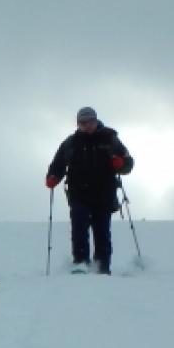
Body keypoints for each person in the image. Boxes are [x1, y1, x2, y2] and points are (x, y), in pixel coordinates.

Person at [46, 106, 134, 274]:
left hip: (104, 194)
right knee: (79, 230)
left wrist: (121, 163)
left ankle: (102, 268)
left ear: (96, 120)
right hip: (79, 194)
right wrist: (53, 176)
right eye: (83, 122)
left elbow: (128, 162)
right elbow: (58, 163)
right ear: (78, 124)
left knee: (102, 233)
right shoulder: (71, 142)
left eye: (90, 121)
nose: (87, 125)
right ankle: (81, 264)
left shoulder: (110, 139)